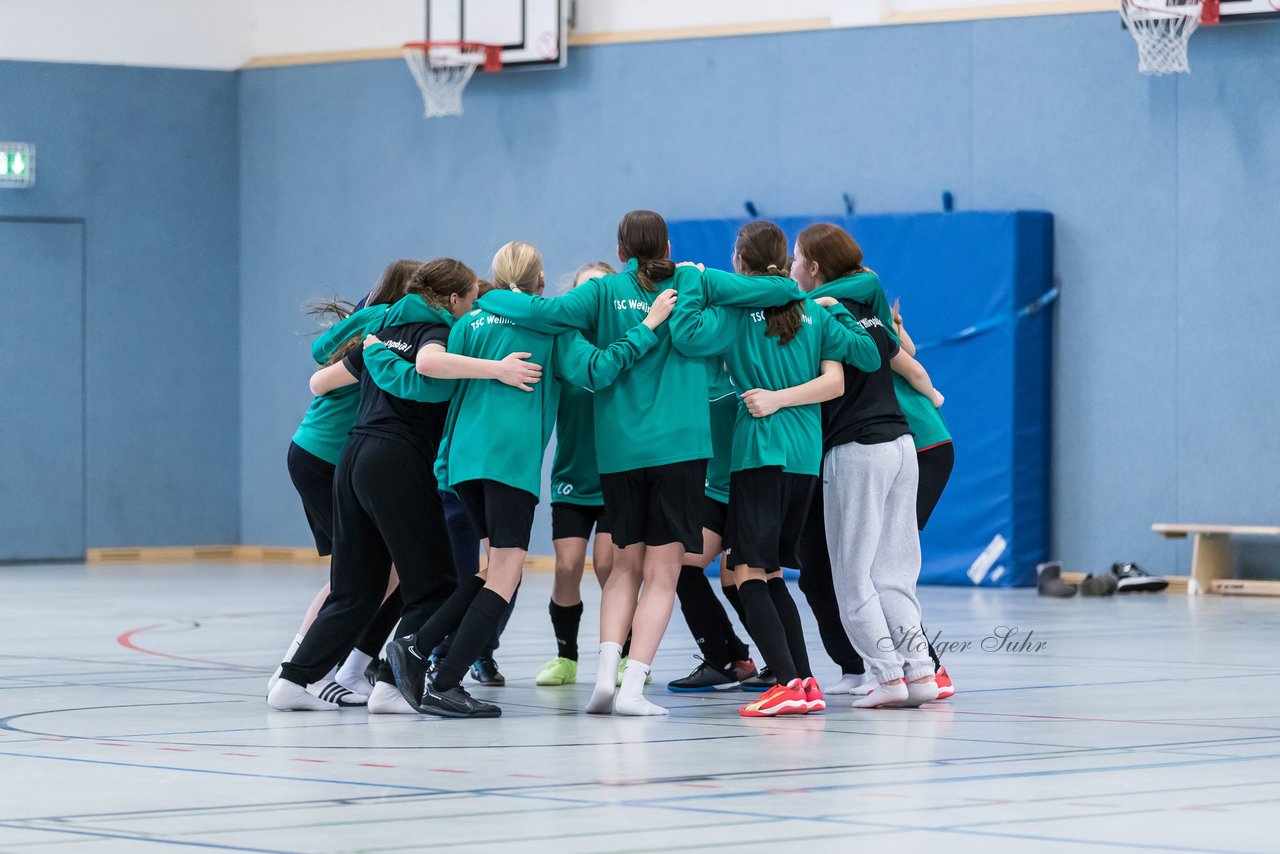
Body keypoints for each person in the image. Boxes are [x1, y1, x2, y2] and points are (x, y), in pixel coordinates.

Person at [476, 211, 791, 715]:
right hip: (681, 450)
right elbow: (775, 293)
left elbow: (541, 313)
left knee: (623, 567)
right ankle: (632, 688)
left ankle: (603, 676)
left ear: (620, 250)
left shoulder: (601, 294)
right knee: (662, 576)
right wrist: (711, 278)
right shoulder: (696, 284)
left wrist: (489, 294)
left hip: (619, 453)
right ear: (667, 244)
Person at [384, 242, 675, 717]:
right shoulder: (550, 326)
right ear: (541, 281)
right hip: (508, 461)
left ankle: (417, 645)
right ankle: (446, 679)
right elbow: (597, 370)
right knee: (506, 574)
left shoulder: (472, 320)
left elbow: (445, 386)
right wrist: (647, 327)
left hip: (463, 461)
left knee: (488, 570)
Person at [267, 259, 540, 711]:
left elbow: (322, 370)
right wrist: (497, 369)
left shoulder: (383, 325)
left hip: (354, 455)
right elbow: (432, 364)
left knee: (356, 587)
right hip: (396, 459)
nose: (471, 309)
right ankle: (391, 687)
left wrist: (373, 351)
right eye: (469, 301)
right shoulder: (433, 332)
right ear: (452, 300)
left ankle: (292, 680)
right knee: (434, 583)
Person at [670, 221, 881, 716]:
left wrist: (692, 282)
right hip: (806, 458)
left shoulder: (738, 315)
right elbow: (870, 355)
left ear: (740, 263)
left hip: (760, 453)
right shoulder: (813, 312)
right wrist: (836, 311)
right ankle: (804, 681)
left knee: (746, 572)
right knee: (767, 572)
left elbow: (685, 334)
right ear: (784, 262)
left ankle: (788, 682)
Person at [786, 223, 946, 708]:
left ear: (814, 266)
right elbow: (910, 364)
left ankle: (886, 677)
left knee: (852, 576)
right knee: (895, 573)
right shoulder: (870, 312)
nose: (791, 267)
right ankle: (920, 673)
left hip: (857, 452)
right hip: (901, 446)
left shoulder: (817, 315)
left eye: (795, 258)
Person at [268, 260, 420, 700]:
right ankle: (292, 673)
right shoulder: (384, 321)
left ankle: (347, 668)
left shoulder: (392, 324)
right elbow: (320, 376)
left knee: (386, 570)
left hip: (334, 456)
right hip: (325, 456)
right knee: (351, 578)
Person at [537, 262, 621, 688]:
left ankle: (621, 657)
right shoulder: (562, 343)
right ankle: (566, 658)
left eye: (601, 289)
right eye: (585, 289)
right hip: (572, 475)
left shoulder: (626, 341)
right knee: (568, 566)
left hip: (617, 476)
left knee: (610, 566)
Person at [667, 360, 759, 692]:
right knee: (683, 568)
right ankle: (725, 658)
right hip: (713, 490)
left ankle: (784, 665)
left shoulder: (750, 362)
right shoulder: (694, 370)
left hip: (750, 489)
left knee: (739, 581)